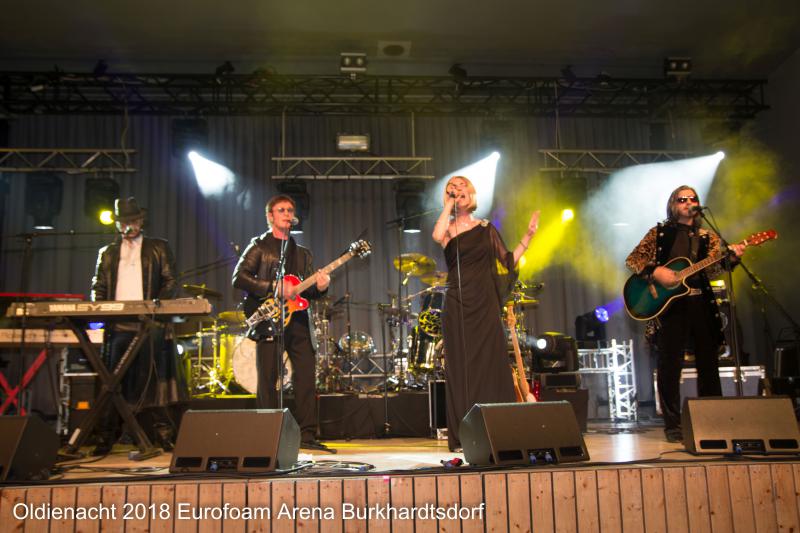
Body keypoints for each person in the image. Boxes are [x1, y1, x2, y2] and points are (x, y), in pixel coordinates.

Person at [626, 185, 744, 443]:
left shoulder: (708, 236)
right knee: (670, 364)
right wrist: (655, 271)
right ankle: (673, 425)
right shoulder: (659, 233)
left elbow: (712, 270)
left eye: (693, 198)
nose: (688, 202)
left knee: (709, 363)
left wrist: (732, 259)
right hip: (671, 307)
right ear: (673, 205)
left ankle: (712, 423)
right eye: (682, 199)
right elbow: (633, 260)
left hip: (701, 303)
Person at [432, 175, 539, 451]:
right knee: (461, 368)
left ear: (471, 192)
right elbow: (436, 236)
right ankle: (464, 435)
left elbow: (508, 260)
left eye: (461, 186)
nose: (457, 190)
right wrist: (448, 205)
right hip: (457, 303)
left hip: (484, 303)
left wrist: (528, 236)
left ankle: (497, 430)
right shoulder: (448, 230)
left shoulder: (486, 228)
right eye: (451, 188)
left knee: (491, 363)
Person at [232, 195, 330, 450]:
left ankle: (307, 435)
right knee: (268, 379)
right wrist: (273, 287)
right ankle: (268, 434)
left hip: (298, 321)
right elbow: (239, 278)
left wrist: (321, 287)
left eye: (290, 210)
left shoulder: (303, 253)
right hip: (269, 320)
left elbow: (308, 292)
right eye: (281, 210)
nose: (287, 214)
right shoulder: (259, 246)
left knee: (306, 378)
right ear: (270, 216)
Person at [90, 196, 181, 454]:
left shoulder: (158, 247)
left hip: (148, 324)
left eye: (132, 220)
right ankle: (105, 437)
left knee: (154, 379)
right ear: (117, 224)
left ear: (141, 221)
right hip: (118, 326)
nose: (128, 226)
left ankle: (164, 435)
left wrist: (154, 308)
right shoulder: (107, 253)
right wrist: (101, 311)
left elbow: (171, 281)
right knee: (112, 383)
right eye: (123, 222)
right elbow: (98, 287)